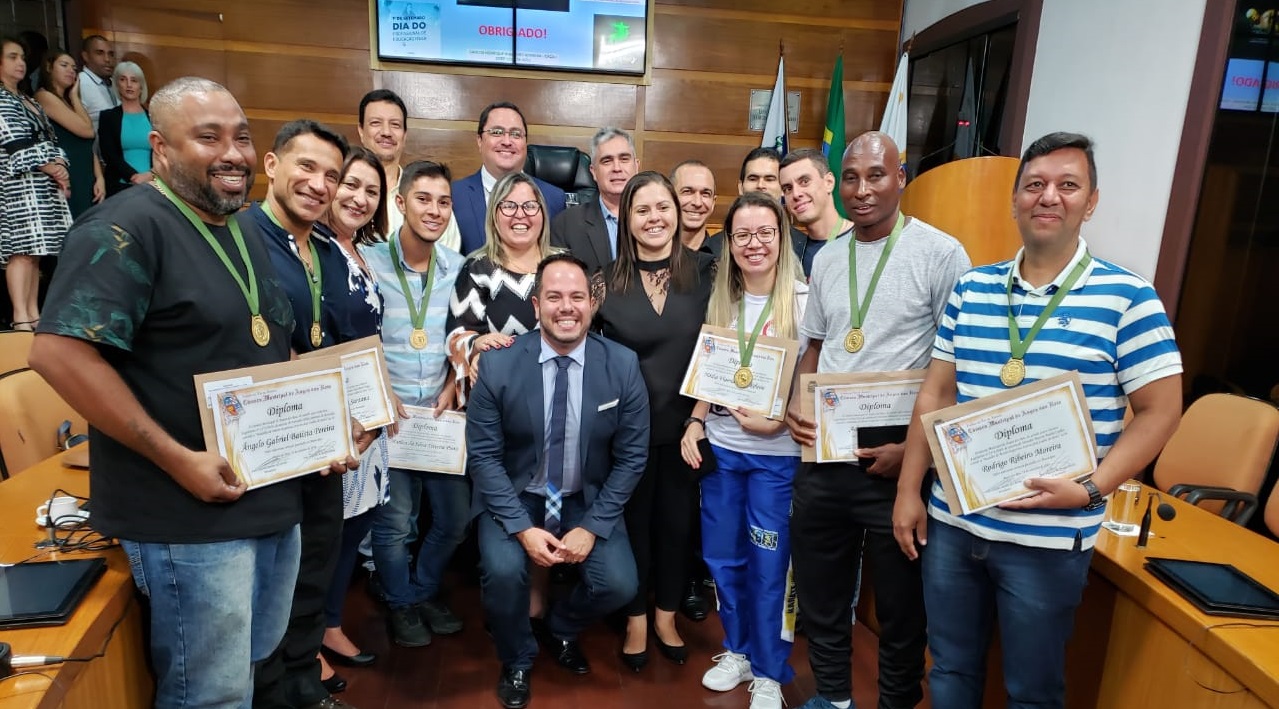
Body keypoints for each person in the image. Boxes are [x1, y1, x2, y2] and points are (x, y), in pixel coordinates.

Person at [30, 75, 352, 708]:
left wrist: (329, 430)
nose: (230, 153)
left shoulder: (242, 231)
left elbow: (269, 348)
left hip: (267, 499)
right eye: (208, 137)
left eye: (240, 136)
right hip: (188, 515)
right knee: (209, 694)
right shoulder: (126, 224)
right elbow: (58, 352)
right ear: (160, 147)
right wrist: (179, 459)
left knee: (254, 673)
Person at [892, 132, 1184, 709]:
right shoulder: (972, 287)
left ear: (1091, 201)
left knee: (1031, 691)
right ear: (1015, 199)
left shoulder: (1128, 297)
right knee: (948, 671)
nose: (1048, 197)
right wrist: (908, 492)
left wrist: (1091, 487)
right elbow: (935, 395)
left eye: (1067, 185)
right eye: (1034, 185)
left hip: (1048, 540)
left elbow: (1161, 410)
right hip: (953, 524)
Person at [784, 131, 972, 709]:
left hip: (900, 457)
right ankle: (834, 698)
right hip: (828, 449)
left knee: (899, 604)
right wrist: (798, 397)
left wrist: (915, 457)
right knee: (822, 592)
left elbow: (959, 368)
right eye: (851, 178)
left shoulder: (943, 255)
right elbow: (816, 342)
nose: (861, 190)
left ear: (901, 178)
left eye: (876, 176)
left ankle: (895, 702)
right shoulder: (830, 256)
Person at [467, 252, 649, 709]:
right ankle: (517, 657)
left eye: (576, 297)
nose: (566, 307)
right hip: (516, 495)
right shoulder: (499, 366)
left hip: (582, 498)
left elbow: (631, 458)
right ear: (535, 305)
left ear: (592, 303)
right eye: (554, 297)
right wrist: (522, 530)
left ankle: (561, 626)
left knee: (619, 584)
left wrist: (591, 527)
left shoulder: (623, 365)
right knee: (505, 571)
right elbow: (485, 457)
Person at [249, 119, 375, 709]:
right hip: (268, 444)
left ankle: (303, 685)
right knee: (272, 586)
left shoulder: (319, 249)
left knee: (313, 571)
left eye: (331, 174)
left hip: (321, 444)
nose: (320, 184)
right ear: (271, 166)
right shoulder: (241, 236)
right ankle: (274, 693)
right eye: (307, 167)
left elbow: (330, 344)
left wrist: (362, 409)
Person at [680, 191, 808, 709]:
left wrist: (778, 418)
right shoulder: (722, 299)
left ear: (781, 238)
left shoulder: (805, 299)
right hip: (725, 451)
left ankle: (770, 669)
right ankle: (736, 648)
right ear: (728, 243)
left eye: (764, 233)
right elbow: (713, 371)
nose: (753, 244)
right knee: (723, 556)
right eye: (742, 236)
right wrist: (695, 420)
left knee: (769, 564)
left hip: (778, 458)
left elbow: (814, 376)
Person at [596, 170, 716, 670]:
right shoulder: (603, 280)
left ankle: (666, 615)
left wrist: (699, 418)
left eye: (662, 207)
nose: (654, 218)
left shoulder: (708, 272)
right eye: (641, 209)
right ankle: (636, 620)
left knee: (677, 526)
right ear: (626, 218)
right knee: (633, 527)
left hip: (687, 430)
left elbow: (720, 352)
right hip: (626, 436)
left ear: (676, 212)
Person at [366, 160, 469, 649]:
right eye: (423, 199)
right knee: (395, 525)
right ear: (401, 203)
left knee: (452, 520)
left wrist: (453, 381)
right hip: (391, 419)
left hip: (440, 417)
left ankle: (422, 590)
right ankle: (400, 602)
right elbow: (358, 338)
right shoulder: (369, 261)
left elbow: (461, 336)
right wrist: (379, 392)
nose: (434, 210)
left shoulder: (457, 268)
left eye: (444, 201)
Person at [314, 145, 390, 692]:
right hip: (332, 413)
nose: (360, 198)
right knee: (324, 531)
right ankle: (303, 642)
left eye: (371, 190)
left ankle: (331, 622)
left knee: (355, 525)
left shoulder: (360, 250)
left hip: (370, 412)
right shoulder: (310, 250)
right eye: (350, 185)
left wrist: (385, 399)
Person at [446, 172, 557, 403]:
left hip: (558, 392)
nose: (520, 214)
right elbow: (455, 337)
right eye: (508, 206)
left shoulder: (563, 266)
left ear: (542, 213)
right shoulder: (477, 267)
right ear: (495, 214)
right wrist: (475, 344)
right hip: (498, 398)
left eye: (529, 206)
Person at [0, 36, 71, 331]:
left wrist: (61, 165)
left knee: (36, 253)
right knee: (21, 251)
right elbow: (15, 144)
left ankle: (34, 314)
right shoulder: (1, 100)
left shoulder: (26, 99)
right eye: (13, 57)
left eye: (22, 57)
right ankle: (21, 317)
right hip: (17, 185)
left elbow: (52, 141)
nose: (21, 63)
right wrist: (52, 167)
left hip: (40, 185)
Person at [452, 101, 566, 255]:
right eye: (497, 133)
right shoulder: (454, 195)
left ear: (525, 142)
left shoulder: (553, 198)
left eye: (515, 134)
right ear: (479, 141)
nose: (507, 141)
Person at [549, 126, 639, 275]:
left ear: (637, 166)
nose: (617, 168)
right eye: (607, 161)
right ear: (593, 172)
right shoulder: (565, 224)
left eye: (624, 159)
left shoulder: (655, 221)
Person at [34, 51, 103, 217]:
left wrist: (99, 177)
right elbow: (87, 131)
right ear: (49, 67)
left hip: (86, 175)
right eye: (64, 65)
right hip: (69, 174)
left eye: (74, 68)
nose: (71, 71)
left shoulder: (69, 101)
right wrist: (75, 97)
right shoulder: (44, 96)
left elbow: (88, 142)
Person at [779, 148, 849, 278]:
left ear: (829, 182)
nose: (796, 194)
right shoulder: (789, 252)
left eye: (804, 182)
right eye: (788, 188)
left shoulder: (862, 240)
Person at [672, 159, 720, 257]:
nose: (697, 203)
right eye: (687, 191)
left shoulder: (726, 258)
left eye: (705, 194)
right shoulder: (649, 253)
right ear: (670, 196)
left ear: (713, 203)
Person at [76, 34, 117, 132]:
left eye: (111, 54)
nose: (107, 59)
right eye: (100, 53)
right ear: (86, 56)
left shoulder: (115, 84)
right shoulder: (80, 83)